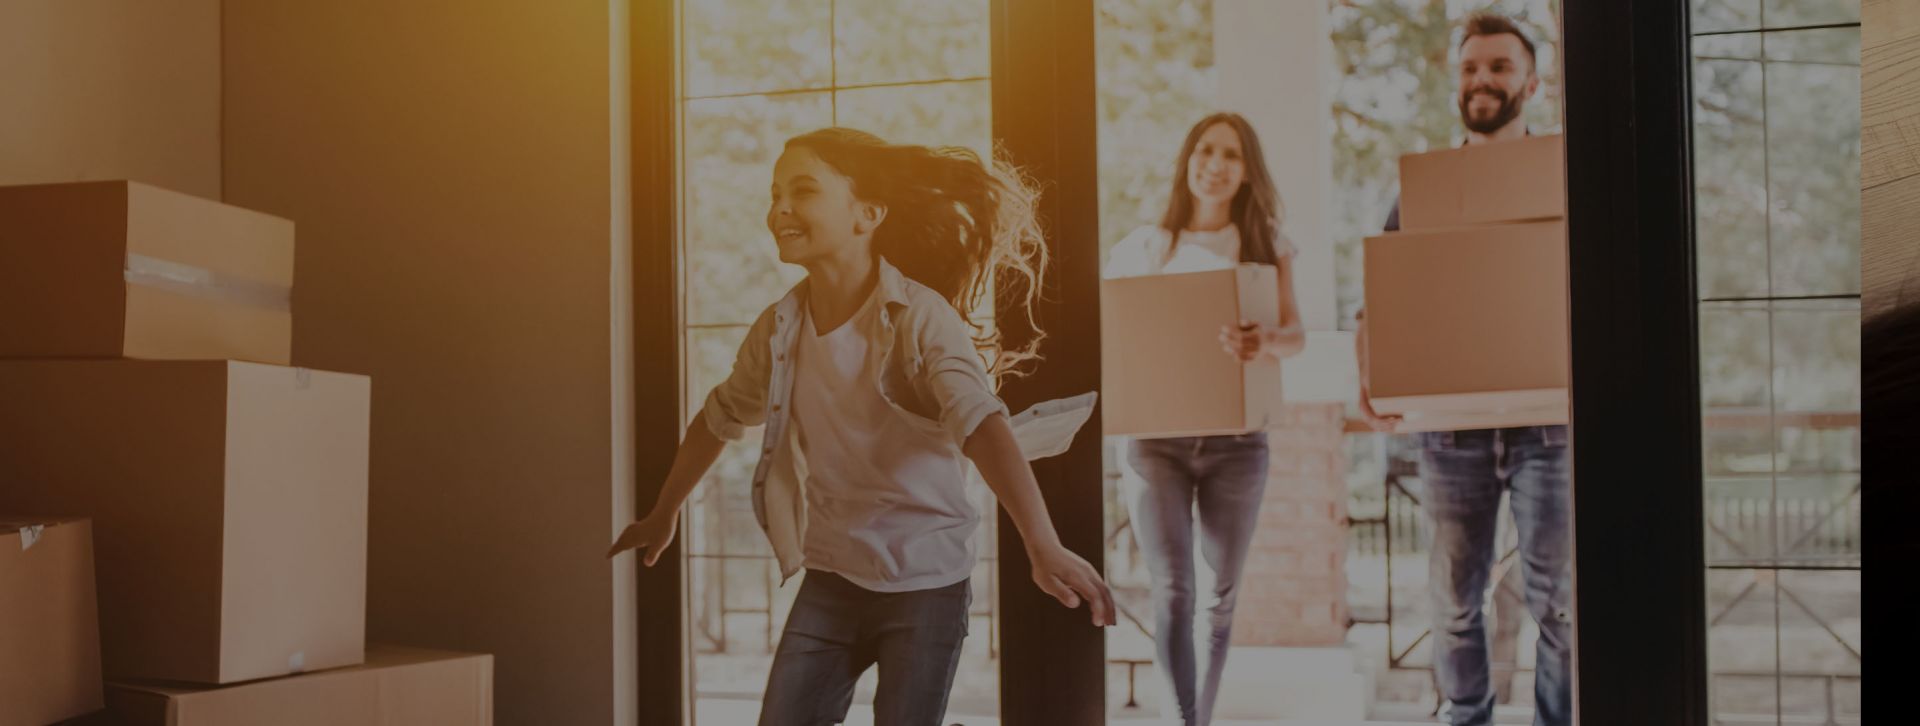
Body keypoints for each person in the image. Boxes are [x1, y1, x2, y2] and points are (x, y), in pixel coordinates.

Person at [608, 127, 1115, 726]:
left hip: (926, 580)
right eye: (775, 195)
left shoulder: (921, 318)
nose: (780, 210)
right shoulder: (778, 330)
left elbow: (982, 423)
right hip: (832, 576)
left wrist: (1042, 543)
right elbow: (717, 418)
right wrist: (666, 511)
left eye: (803, 192)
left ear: (867, 214)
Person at [1356, 14, 1572, 726]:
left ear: (1531, 83)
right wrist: (1373, 379)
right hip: (1452, 434)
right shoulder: (1425, 189)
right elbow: (1382, 301)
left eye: (1500, 67)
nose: (1482, 79)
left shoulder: (1562, 179)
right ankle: (1467, 719)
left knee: (1561, 603)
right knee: (1453, 603)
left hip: (1548, 424)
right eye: (1471, 67)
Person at [1104, 111, 1306, 726]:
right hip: (1154, 446)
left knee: (1218, 598)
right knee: (1173, 590)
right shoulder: (1144, 247)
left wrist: (1265, 339)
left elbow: (1296, 335)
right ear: (1187, 160)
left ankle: (1193, 720)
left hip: (1238, 444)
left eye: (1231, 155)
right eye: (1205, 151)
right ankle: (1183, 720)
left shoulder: (1266, 242)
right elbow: (1115, 332)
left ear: (1247, 173)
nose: (1215, 165)